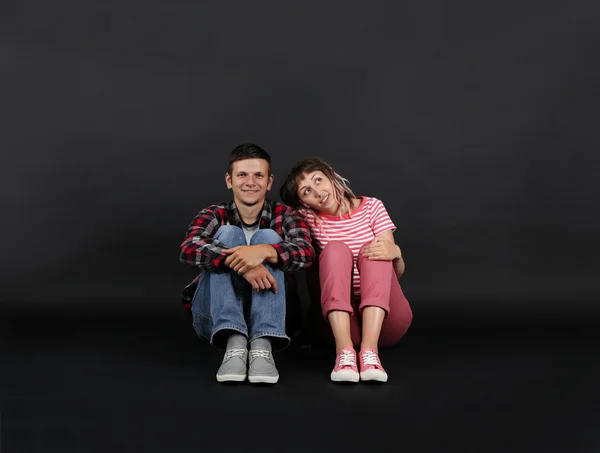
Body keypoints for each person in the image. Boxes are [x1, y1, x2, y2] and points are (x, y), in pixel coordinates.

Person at [179, 144, 315, 384]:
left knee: (270, 238)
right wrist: (246, 262)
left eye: (258, 175)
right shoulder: (214, 214)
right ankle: (234, 340)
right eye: (242, 175)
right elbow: (189, 248)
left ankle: (262, 343)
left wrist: (264, 251)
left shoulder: (286, 215)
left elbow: (305, 252)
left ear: (269, 181)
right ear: (229, 180)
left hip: (275, 317)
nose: (250, 182)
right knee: (228, 234)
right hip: (213, 319)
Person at [280, 157, 413, 383]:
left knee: (375, 250)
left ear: (331, 175)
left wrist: (396, 253)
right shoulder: (307, 219)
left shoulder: (372, 206)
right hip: (339, 325)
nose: (318, 192)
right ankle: (345, 354)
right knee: (334, 250)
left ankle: (370, 353)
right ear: (303, 203)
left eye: (319, 180)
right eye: (307, 191)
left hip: (386, 323)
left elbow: (393, 273)